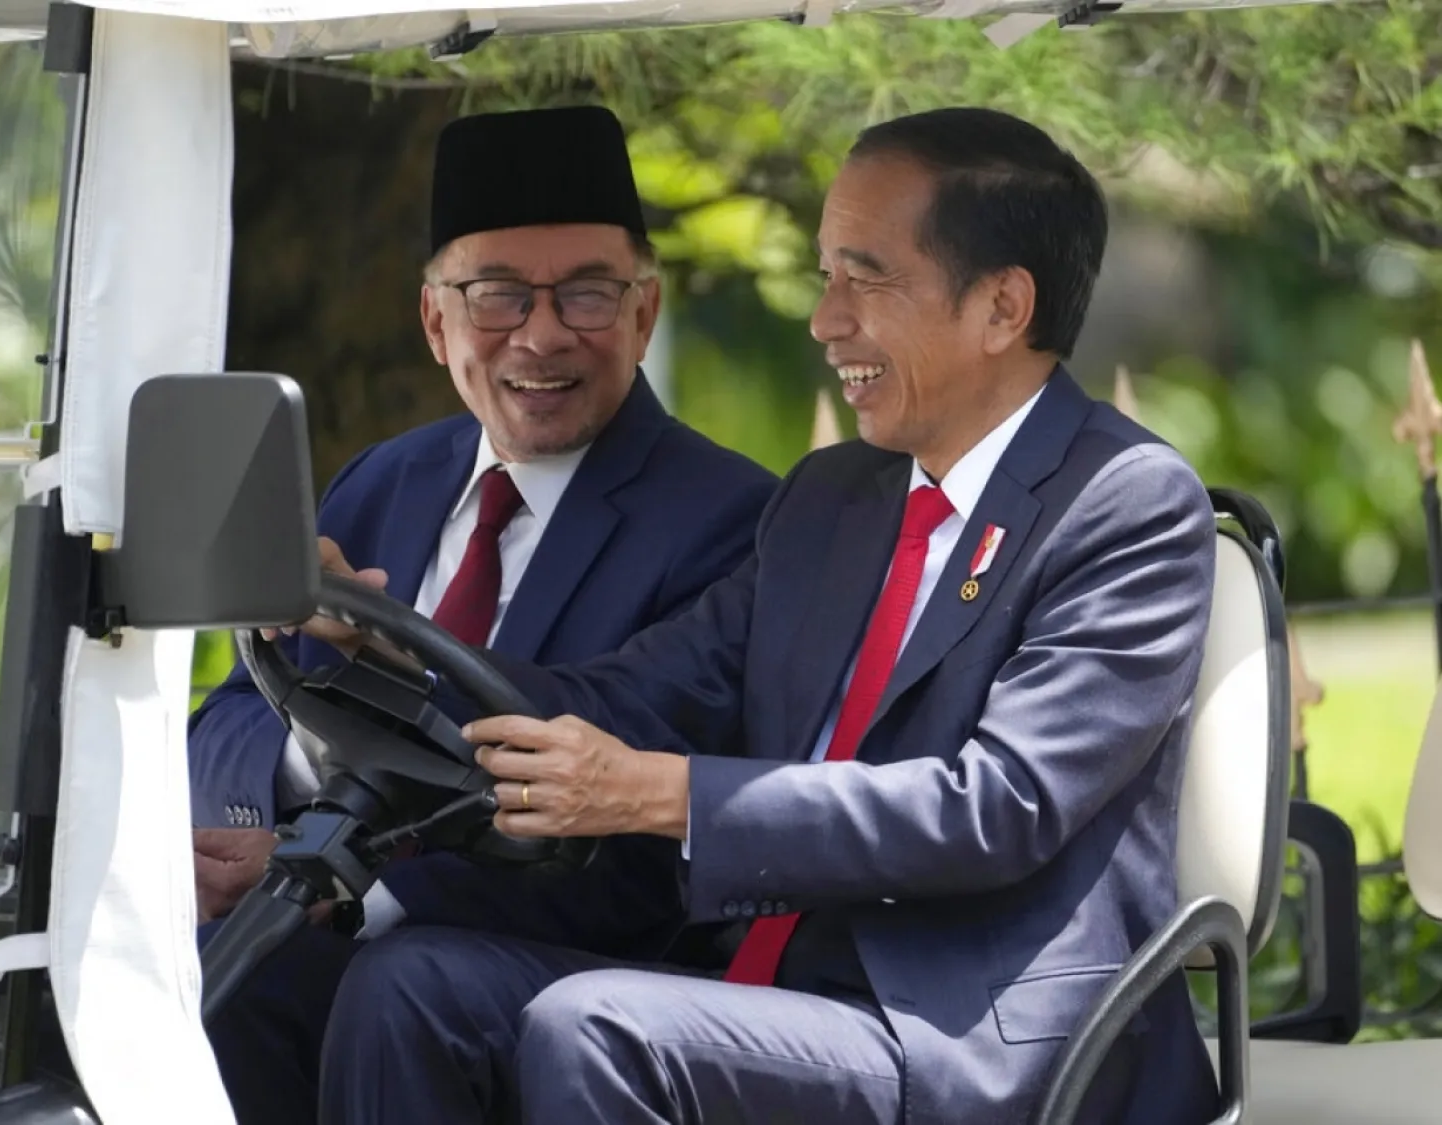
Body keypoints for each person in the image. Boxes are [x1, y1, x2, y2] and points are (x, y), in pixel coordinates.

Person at [310, 106, 1224, 1125]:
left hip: (969, 1034)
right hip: (772, 990)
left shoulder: (1126, 500)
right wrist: (388, 660)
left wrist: (668, 797)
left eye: (863, 278)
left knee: (595, 1027)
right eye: (826, 276)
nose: (825, 321)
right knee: (409, 983)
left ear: (1003, 306)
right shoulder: (836, 499)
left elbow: (993, 808)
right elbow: (647, 693)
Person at [189, 104, 777, 1123]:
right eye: (498, 295)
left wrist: (356, 889)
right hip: (356, 926)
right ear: (436, 322)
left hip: (581, 966)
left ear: (645, 312)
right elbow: (232, 720)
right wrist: (302, 785)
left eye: (588, 294)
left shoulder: (732, 519)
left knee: (394, 981)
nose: (542, 335)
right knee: (221, 973)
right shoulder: (385, 481)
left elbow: (652, 850)